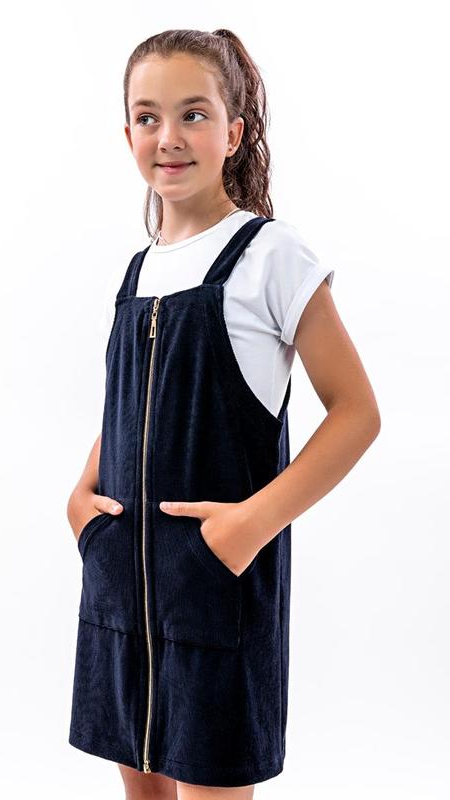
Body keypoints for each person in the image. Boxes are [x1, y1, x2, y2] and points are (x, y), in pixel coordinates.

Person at [66, 28, 381, 800]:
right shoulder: (135, 271)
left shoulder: (271, 256)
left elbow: (355, 413)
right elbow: (127, 404)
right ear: (128, 134)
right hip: (119, 593)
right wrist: (81, 501)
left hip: (213, 590)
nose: (168, 137)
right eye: (147, 117)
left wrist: (245, 527)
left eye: (193, 114)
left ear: (233, 133)